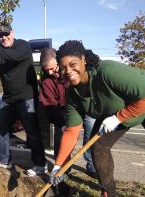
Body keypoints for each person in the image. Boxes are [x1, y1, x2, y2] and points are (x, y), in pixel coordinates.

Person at [50, 40, 145, 196]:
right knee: (98, 146)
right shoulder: (73, 94)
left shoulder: (108, 71)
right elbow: (71, 131)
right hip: (115, 111)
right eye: (63, 67)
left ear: (84, 60)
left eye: (73, 64)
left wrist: (118, 118)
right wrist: (58, 165)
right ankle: (108, 193)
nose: (68, 71)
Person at [0, 24, 47, 176]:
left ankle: (40, 164)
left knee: (32, 132)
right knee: (1, 128)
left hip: (27, 98)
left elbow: (14, 56)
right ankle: (4, 160)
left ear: (12, 32)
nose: (3, 38)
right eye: (0, 36)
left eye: (6, 34)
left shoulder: (22, 46)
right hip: (8, 99)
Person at [39, 48, 97, 178]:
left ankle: (92, 165)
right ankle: (63, 168)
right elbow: (50, 106)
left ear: (59, 63)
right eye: (46, 69)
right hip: (63, 111)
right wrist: (63, 124)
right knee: (61, 138)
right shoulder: (46, 81)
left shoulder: (70, 72)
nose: (50, 72)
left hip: (85, 106)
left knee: (91, 134)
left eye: (53, 68)